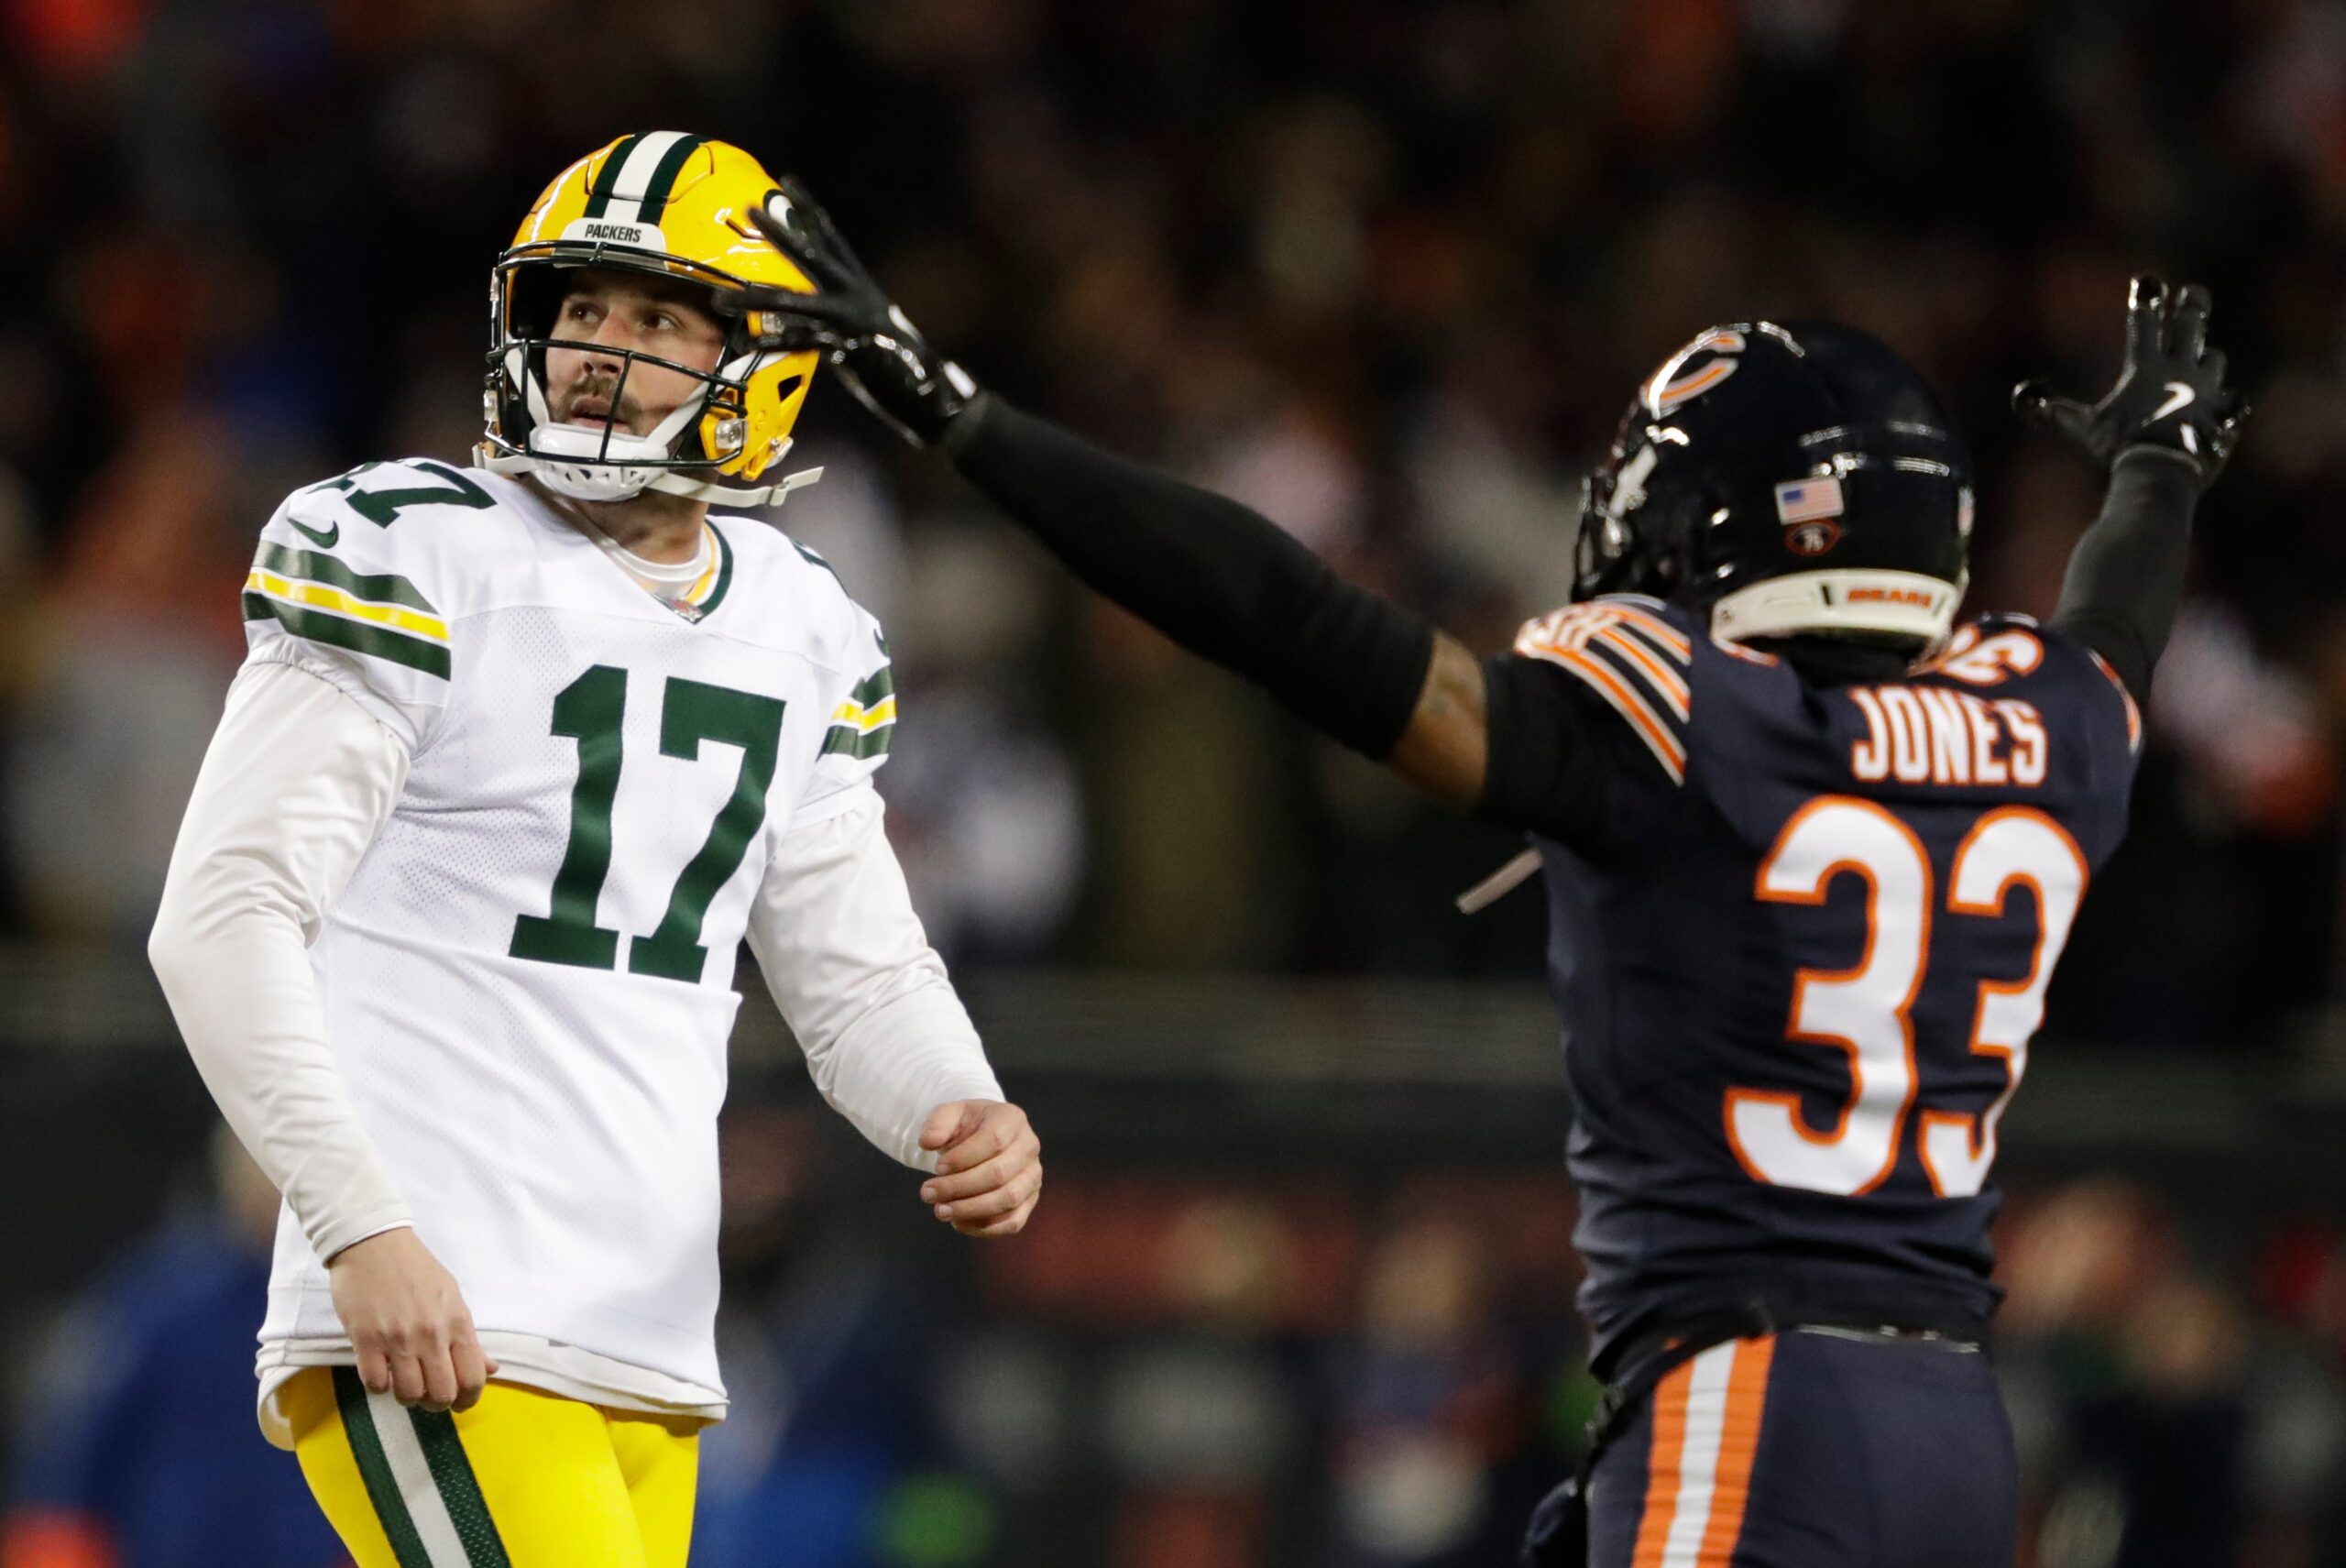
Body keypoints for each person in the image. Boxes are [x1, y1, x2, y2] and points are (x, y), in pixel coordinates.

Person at [749, 183, 2243, 1568]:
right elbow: (2120, 617)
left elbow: (1296, 623)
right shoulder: (2038, 727)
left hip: (1750, 1400)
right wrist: (2162, 465)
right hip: (1956, 1429)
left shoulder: (1685, 726)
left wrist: (966, 423)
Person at [146, 134, 1044, 1568]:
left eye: (651, 318)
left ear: (763, 359)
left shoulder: (802, 622)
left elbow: (857, 972)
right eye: (578, 312)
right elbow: (223, 912)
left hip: (648, 1339)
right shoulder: (410, 545)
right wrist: (362, 1229)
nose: (593, 351)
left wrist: (956, 1100)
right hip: (443, 1301)